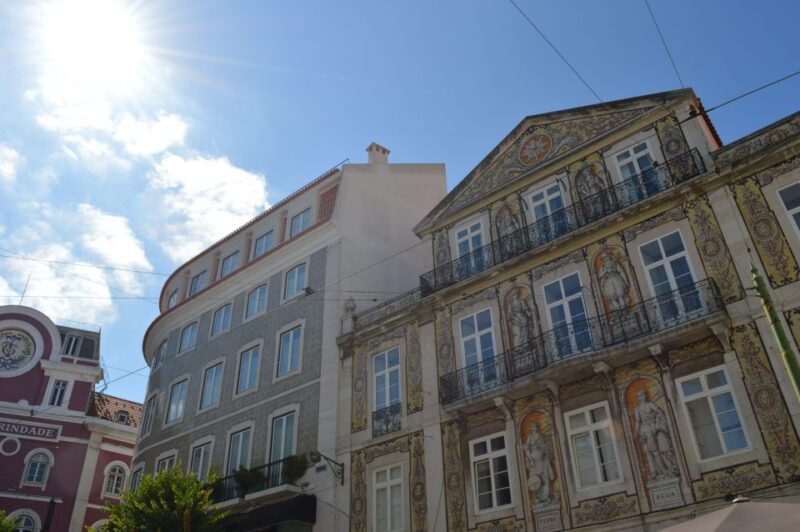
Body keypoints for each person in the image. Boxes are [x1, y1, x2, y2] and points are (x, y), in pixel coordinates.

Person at [634, 388, 678, 480]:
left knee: (655, 451)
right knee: (648, 452)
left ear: (645, 396)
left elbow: (660, 413)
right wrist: (636, 432)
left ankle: (664, 470)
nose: (642, 397)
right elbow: (638, 421)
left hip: (653, 427)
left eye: (643, 395)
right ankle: (655, 471)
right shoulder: (637, 409)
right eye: (640, 396)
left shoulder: (650, 404)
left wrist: (658, 423)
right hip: (645, 429)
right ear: (638, 398)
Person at [523, 422, 555, 503]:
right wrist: (530, 459)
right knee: (535, 480)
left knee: (545, 478)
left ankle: (547, 496)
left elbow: (546, 446)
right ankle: (538, 498)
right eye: (533, 426)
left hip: (543, 460)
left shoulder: (541, 436)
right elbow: (526, 449)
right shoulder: (530, 438)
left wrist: (546, 451)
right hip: (534, 462)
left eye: (535, 426)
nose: (534, 428)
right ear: (531, 428)